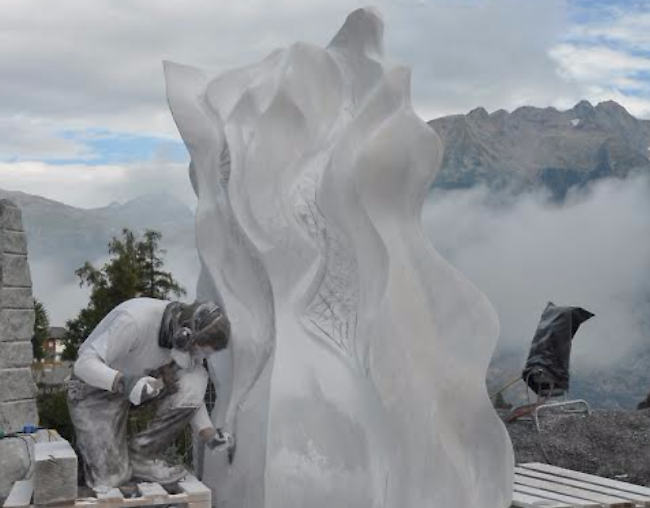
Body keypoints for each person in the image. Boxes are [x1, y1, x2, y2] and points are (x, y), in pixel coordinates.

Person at [66, 297, 233, 489]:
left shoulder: (185, 344)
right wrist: (125, 383)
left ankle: (141, 456)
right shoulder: (134, 321)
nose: (200, 358)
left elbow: (191, 392)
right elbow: (83, 364)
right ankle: (92, 461)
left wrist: (209, 434)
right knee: (111, 479)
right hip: (94, 389)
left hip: (140, 384)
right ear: (184, 334)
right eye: (199, 351)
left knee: (195, 376)